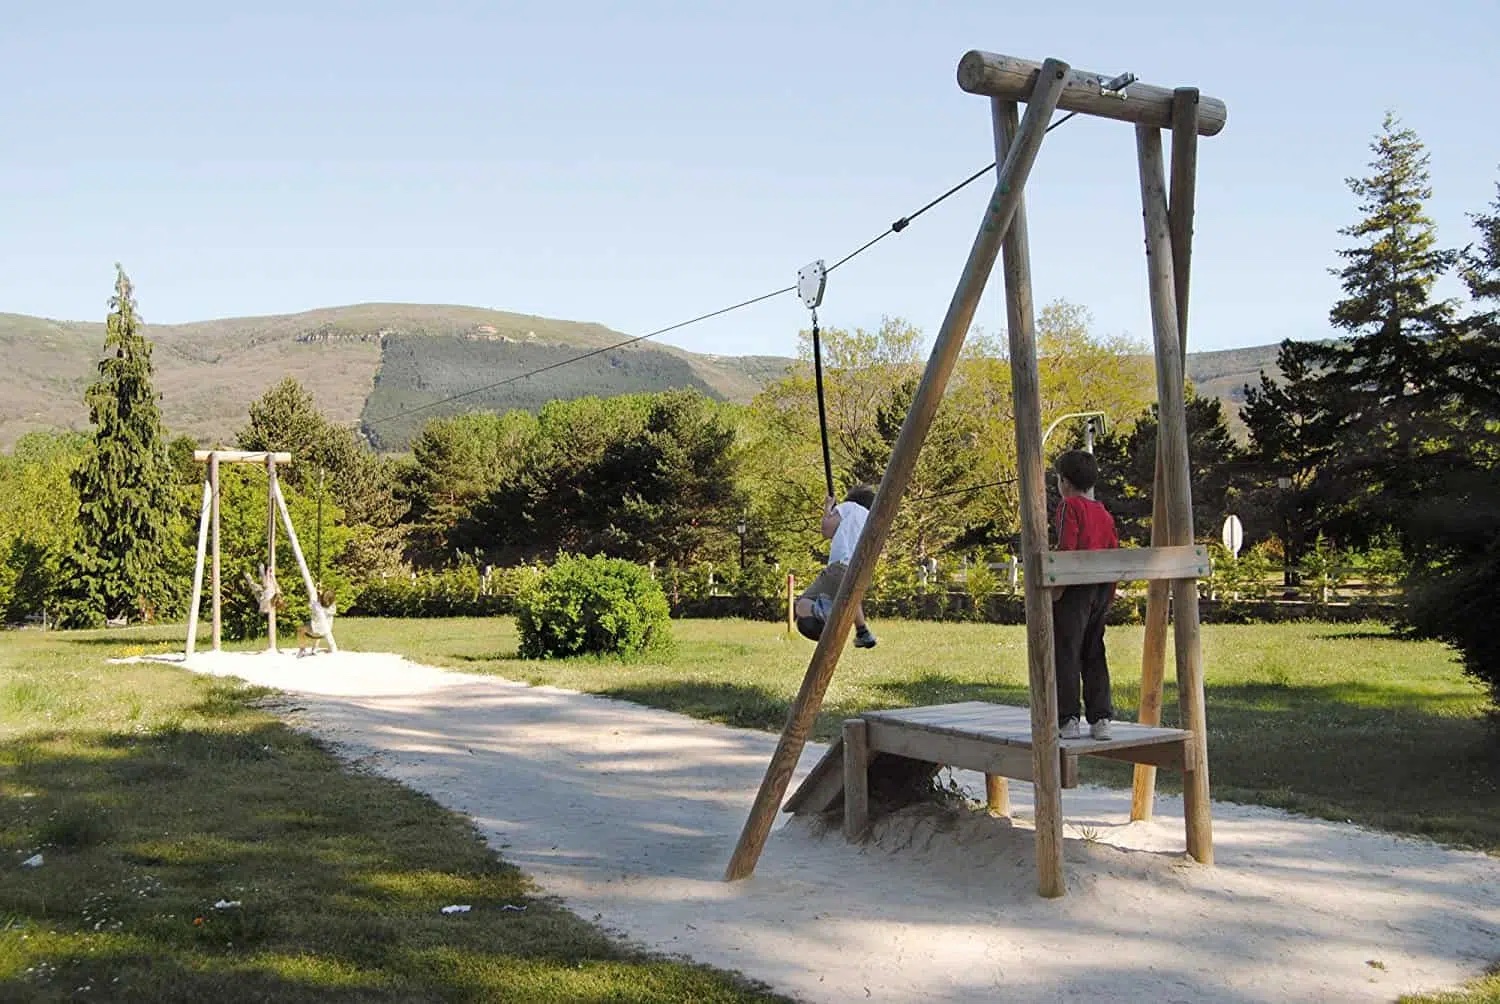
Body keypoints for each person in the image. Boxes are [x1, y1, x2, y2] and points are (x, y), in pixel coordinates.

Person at [1050, 450, 1119, 740]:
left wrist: (1055, 590)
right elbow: (1114, 550)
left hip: (1076, 588)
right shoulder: (1103, 512)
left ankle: (1068, 719)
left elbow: (1067, 548)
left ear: (1064, 482)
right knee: (1094, 651)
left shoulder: (1068, 508)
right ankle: (1101, 718)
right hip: (1102, 587)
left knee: (1066, 651)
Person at [794, 484, 878, 649]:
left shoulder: (849, 507)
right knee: (851, 596)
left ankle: (825, 612)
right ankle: (863, 631)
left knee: (802, 604)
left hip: (840, 566)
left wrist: (828, 508)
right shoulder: (871, 517)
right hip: (863, 570)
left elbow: (827, 531)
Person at [296, 588, 337, 657]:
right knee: (320, 626)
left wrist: (318, 596)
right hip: (326, 632)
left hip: (315, 633)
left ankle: (302, 650)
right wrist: (321, 596)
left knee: (301, 630)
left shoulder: (316, 606)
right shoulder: (333, 608)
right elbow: (326, 602)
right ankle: (314, 649)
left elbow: (311, 604)